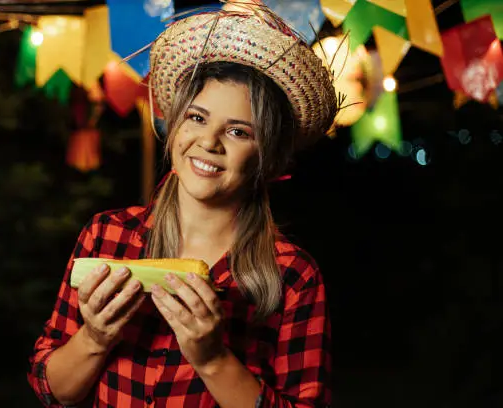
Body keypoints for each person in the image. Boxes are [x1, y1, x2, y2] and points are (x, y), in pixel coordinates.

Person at [27, 3, 338, 407]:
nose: (208, 142)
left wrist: (213, 360)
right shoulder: (107, 235)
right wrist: (95, 337)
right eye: (196, 118)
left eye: (239, 131)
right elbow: (51, 390)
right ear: (173, 127)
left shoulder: (293, 277)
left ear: (268, 157)